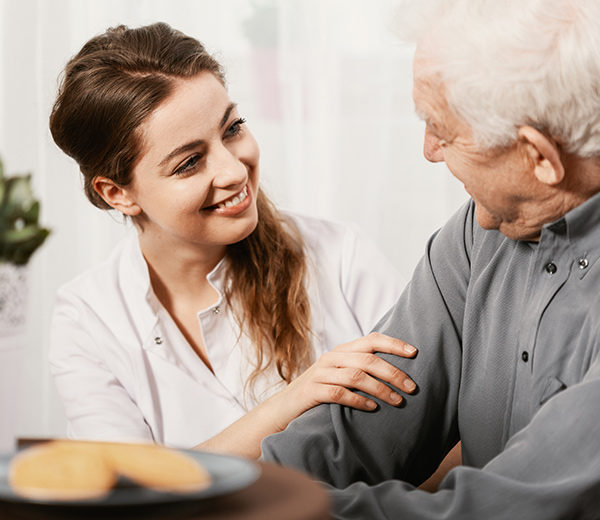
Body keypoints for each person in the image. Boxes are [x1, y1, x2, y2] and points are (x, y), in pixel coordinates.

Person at [260, 0, 600, 517]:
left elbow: (500, 509)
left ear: (539, 157)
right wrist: (242, 490)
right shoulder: (478, 232)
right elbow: (358, 423)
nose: (428, 150)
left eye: (442, 129)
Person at [47, 22, 417, 458]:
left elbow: (438, 437)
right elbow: (129, 491)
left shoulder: (340, 256)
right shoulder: (87, 320)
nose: (235, 171)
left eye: (232, 128)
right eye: (189, 163)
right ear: (117, 193)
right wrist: (293, 401)